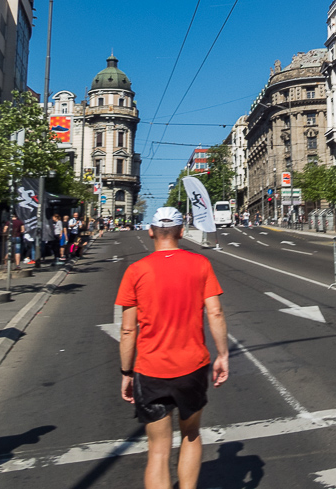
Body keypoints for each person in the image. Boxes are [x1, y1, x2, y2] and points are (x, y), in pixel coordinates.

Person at [116, 207, 229, 489]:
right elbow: (215, 313)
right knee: (191, 434)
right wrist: (223, 355)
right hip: (192, 366)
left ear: (151, 231)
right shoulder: (201, 264)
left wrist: (126, 372)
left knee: (157, 449)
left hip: (151, 369)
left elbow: (128, 329)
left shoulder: (135, 271)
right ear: (181, 231)